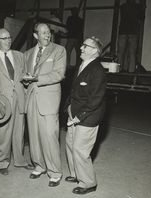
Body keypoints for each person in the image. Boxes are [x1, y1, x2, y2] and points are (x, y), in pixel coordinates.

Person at [22, 23, 66, 187]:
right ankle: (39, 165)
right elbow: (25, 75)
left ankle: (54, 172)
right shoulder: (27, 54)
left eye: (49, 32)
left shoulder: (59, 50)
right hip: (31, 98)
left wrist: (35, 79)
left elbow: (59, 74)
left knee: (49, 135)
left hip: (48, 99)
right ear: (35, 36)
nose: (48, 35)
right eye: (44, 33)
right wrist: (25, 79)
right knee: (33, 135)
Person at [65, 36, 106, 195]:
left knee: (80, 149)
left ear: (95, 51)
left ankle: (89, 183)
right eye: (82, 45)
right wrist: (68, 107)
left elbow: (96, 99)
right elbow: (74, 89)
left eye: (86, 46)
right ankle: (76, 174)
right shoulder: (83, 65)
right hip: (74, 112)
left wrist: (79, 116)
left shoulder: (98, 71)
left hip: (87, 116)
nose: (81, 48)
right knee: (70, 144)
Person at [0, 28, 34, 175]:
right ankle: (2, 162)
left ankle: (20, 160)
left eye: (9, 37)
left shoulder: (19, 55)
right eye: (4, 38)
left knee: (19, 131)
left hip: (19, 98)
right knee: (2, 132)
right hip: (2, 100)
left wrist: (27, 80)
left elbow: (23, 75)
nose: (8, 40)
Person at [117, 0, 144, 72]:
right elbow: (142, 17)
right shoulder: (138, 7)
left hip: (123, 30)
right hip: (133, 31)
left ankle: (118, 70)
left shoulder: (123, 6)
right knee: (132, 53)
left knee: (121, 52)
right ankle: (131, 71)